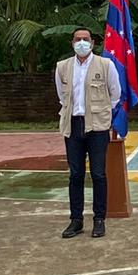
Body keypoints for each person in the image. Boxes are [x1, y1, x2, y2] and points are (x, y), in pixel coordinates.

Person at [55, 27, 121, 239]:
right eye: (77, 39)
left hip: (97, 126)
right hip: (72, 126)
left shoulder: (105, 64)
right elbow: (61, 96)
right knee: (75, 175)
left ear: (92, 43)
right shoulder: (62, 67)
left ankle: (99, 219)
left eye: (85, 39)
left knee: (99, 173)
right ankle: (76, 220)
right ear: (72, 43)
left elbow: (115, 94)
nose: (81, 43)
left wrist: (102, 114)